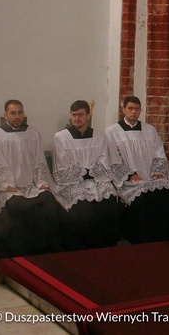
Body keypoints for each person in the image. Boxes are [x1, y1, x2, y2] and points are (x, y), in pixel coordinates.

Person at [0, 100, 62, 261]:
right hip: (9, 188)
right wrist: (6, 184)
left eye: (20, 112)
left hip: (31, 185)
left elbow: (40, 158)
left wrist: (40, 181)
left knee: (48, 200)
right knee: (19, 205)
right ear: (5, 115)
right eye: (13, 113)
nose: (17, 116)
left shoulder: (33, 133)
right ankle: (18, 252)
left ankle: (43, 249)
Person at [105, 96, 169, 244]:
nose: (133, 112)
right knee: (143, 197)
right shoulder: (112, 131)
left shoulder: (149, 130)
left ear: (140, 110)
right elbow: (113, 159)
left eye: (137, 109)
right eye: (130, 108)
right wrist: (129, 175)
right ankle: (142, 237)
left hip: (150, 176)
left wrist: (157, 171)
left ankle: (165, 237)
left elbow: (159, 152)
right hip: (129, 180)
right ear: (123, 109)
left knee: (164, 190)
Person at [52, 100, 120, 250]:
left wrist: (90, 174)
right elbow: (63, 164)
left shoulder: (100, 136)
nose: (77, 118)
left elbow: (104, 159)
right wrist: (86, 173)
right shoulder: (61, 137)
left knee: (108, 199)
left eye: (81, 115)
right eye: (74, 115)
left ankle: (104, 245)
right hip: (72, 183)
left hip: (96, 181)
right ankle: (78, 247)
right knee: (81, 206)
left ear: (88, 116)